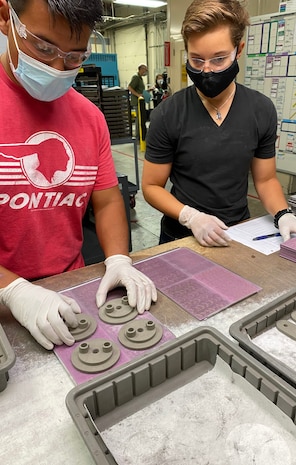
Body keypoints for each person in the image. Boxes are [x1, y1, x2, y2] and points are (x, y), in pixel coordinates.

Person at [0, 0, 157, 351]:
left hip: (72, 287)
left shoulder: (89, 118)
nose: (57, 67)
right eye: (42, 47)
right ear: (4, 18)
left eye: (74, 57)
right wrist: (13, 290)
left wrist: (118, 258)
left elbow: (106, 202)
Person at [142, 0, 296, 248]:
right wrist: (191, 217)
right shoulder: (168, 114)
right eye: (197, 60)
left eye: (218, 59)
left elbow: (265, 180)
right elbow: (152, 186)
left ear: (238, 50)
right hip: (181, 237)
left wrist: (284, 214)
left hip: (238, 233)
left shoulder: (261, 110)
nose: (207, 71)